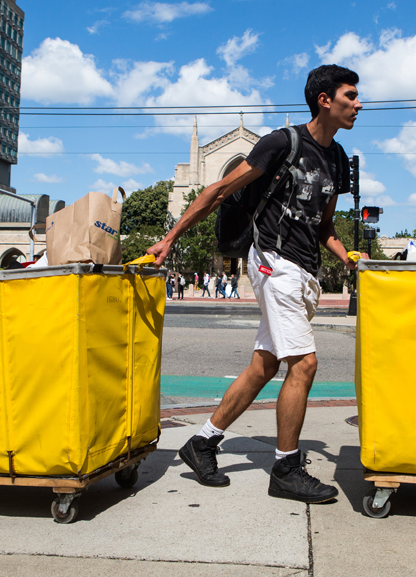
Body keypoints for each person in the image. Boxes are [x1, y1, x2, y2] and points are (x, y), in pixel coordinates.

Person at [147, 64, 363, 503]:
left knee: (264, 366)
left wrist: (350, 259)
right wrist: (170, 238)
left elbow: (324, 226)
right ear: (325, 99)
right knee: (304, 365)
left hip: (304, 270)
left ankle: (202, 442)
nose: (359, 104)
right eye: (350, 96)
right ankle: (285, 468)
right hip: (273, 262)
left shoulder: (337, 159)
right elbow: (219, 190)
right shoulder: (282, 143)